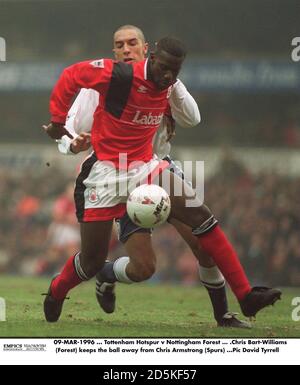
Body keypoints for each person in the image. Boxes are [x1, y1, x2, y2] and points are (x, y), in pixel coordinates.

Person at [43, 35, 281, 323]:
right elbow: (72, 75)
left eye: (175, 71)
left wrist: (174, 83)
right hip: (106, 172)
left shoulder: (169, 85)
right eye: (165, 68)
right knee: (92, 260)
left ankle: (245, 296)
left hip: (147, 167)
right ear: (152, 59)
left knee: (202, 217)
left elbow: (192, 118)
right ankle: (57, 290)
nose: (168, 75)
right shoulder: (119, 75)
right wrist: (57, 122)